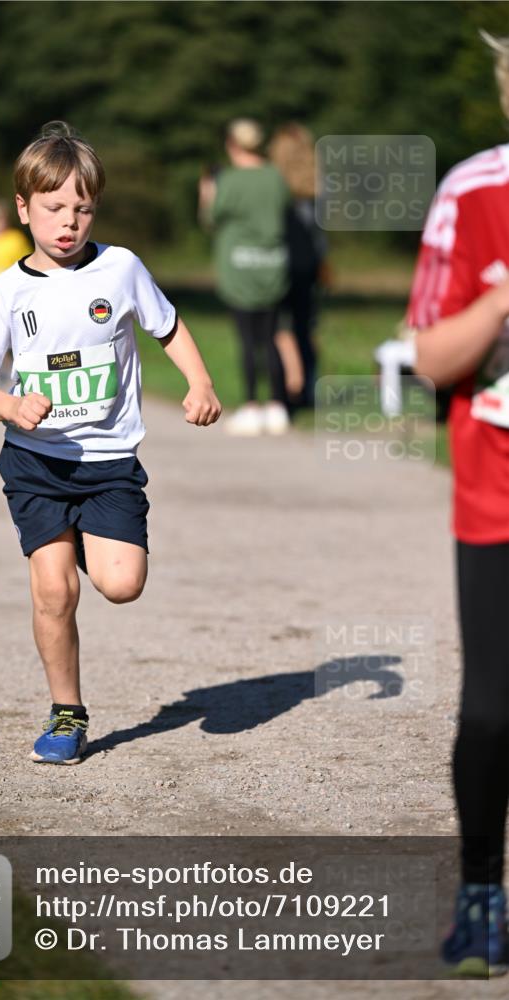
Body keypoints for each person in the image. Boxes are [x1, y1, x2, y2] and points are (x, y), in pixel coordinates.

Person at [0, 121, 221, 765]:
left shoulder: (121, 268)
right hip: (37, 464)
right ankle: (67, 713)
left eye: (82, 207)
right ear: (23, 209)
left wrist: (200, 380)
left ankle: (86, 541)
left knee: (122, 583)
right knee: (55, 592)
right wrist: (11, 405)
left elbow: (169, 325)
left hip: (108, 466)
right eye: (53, 208)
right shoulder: (10, 291)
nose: (68, 222)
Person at [406, 30, 509, 978]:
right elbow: (429, 359)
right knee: (490, 714)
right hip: (497, 493)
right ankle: (482, 881)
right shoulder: (474, 191)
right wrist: (499, 304)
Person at [199, 118, 290, 436]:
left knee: (248, 339)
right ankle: (278, 406)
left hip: (239, 268)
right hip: (274, 266)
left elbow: (212, 217)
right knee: (271, 336)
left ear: (232, 145)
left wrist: (208, 192)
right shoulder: (275, 177)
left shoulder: (231, 180)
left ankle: (252, 405)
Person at [269, 123, 328, 410]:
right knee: (306, 328)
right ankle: (308, 391)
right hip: (309, 265)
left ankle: (283, 391)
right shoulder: (316, 187)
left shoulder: (273, 186)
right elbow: (320, 236)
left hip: (278, 264)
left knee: (279, 329)